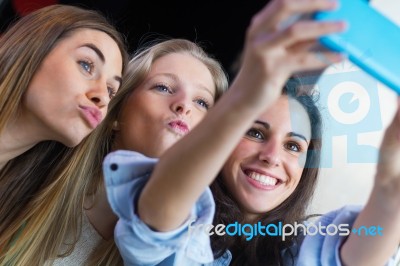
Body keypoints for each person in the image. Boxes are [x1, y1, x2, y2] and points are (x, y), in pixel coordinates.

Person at [103, 0, 400, 265]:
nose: (272, 157)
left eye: (293, 146)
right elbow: (159, 219)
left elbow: (359, 253)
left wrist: (390, 188)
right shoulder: (181, 219)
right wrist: (244, 98)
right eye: (256, 133)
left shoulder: (304, 248)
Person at [0, 38, 228, 265]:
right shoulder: (28, 175)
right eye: (164, 87)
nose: (184, 106)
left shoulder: (193, 253)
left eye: (202, 103)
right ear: (116, 114)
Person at [0, 4, 128, 264]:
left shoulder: (20, 202)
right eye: (86, 65)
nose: (102, 96)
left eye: (112, 90)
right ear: (32, 48)